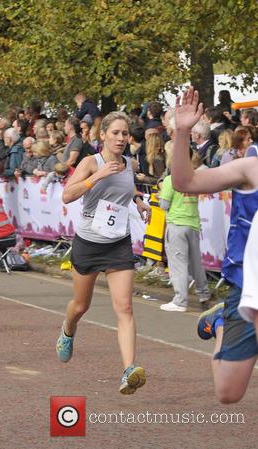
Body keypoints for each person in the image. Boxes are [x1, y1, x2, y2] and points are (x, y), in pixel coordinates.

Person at [171, 86, 258, 404]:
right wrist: (182, 132)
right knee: (228, 391)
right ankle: (219, 321)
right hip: (249, 286)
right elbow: (185, 183)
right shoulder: (250, 168)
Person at [56, 111, 151, 394]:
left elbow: (127, 187)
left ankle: (128, 370)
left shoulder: (129, 163)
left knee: (124, 307)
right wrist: (97, 176)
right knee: (80, 305)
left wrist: (138, 201)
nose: (121, 138)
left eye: (125, 134)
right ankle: (68, 329)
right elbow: (67, 195)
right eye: (115, 133)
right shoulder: (90, 162)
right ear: (103, 135)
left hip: (118, 242)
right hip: (88, 243)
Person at [159, 151, 210, 312]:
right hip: (193, 223)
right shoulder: (194, 177)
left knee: (178, 264)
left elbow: (164, 205)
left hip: (176, 224)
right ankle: (204, 294)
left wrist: (161, 194)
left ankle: (180, 300)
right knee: (196, 264)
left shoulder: (170, 180)